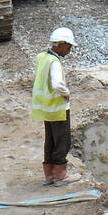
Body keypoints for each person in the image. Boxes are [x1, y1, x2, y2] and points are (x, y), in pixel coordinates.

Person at [31, 27, 78, 185]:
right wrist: (66, 93)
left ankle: (49, 175)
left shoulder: (43, 57)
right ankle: (60, 176)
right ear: (59, 45)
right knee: (62, 140)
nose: (69, 51)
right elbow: (57, 84)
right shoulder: (55, 62)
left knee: (50, 140)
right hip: (58, 108)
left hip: (45, 107)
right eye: (68, 47)